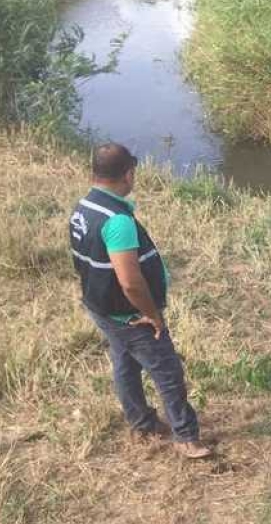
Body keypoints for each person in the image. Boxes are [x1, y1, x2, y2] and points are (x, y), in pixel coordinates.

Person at [68, 143, 211, 459]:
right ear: (128, 173)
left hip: (100, 307)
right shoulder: (117, 221)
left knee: (125, 363)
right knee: (167, 372)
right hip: (130, 315)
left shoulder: (84, 206)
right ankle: (186, 437)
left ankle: (141, 422)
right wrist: (152, 315)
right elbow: (130, 282)